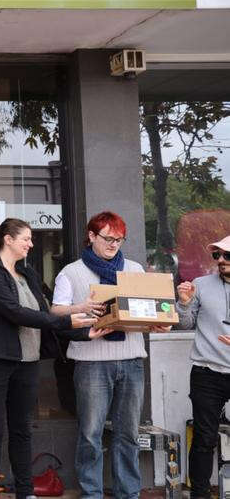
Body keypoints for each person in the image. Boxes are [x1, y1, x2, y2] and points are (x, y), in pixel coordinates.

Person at [0, 218, 97, 499]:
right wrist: (68, 323)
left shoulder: (27, 275)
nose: (30, 243)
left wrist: (83, 323)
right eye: (25, 238)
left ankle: (26, 492)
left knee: (22, 429)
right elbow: (15, 312)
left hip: (27, 362)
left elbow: (48, 313)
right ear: (8, 239)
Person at [51, 211, 167, 499]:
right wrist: (81, 307)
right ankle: (92, 493)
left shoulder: (135, 269)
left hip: (131, 360)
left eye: (119, 239)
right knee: (90, 434)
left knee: (127, 433)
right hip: (91, 363)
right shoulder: (71, 272)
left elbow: (148, 310)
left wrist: (157, 322)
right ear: (91, 236)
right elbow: (55, 312)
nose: (114, 244)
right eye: (108, 238)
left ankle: (128, 493)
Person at [175, 234, 230, 498]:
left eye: (227, 256)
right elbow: (185, 324)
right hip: (207, 372)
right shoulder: (200, 284)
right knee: (204, 438)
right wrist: (184, 304)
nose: (221, 260)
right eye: (217, 255)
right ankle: (199, 493)